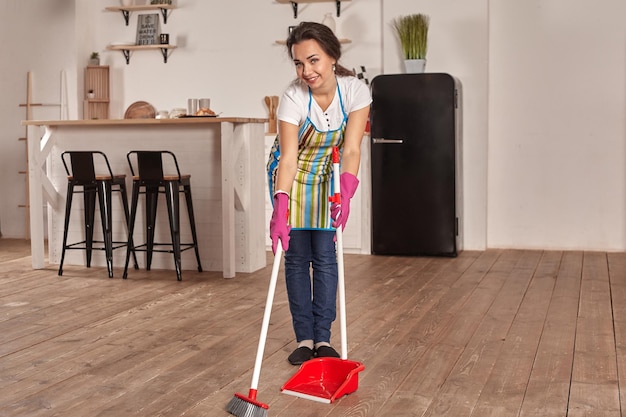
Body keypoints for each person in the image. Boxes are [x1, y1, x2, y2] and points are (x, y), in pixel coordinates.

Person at [267, 22, 372, 365]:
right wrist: (280, 206)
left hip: (330, 173)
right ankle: (304, 338)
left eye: (313, 60)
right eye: (299, 63)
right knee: (297, 258)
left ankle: (324, 338)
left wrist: (348, 189)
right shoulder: (294, 96)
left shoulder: (355, 91)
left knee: (325, 257)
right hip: (291, 176)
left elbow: (352, 149)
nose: (306, 71)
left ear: (332, 56)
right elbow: (289, 156)